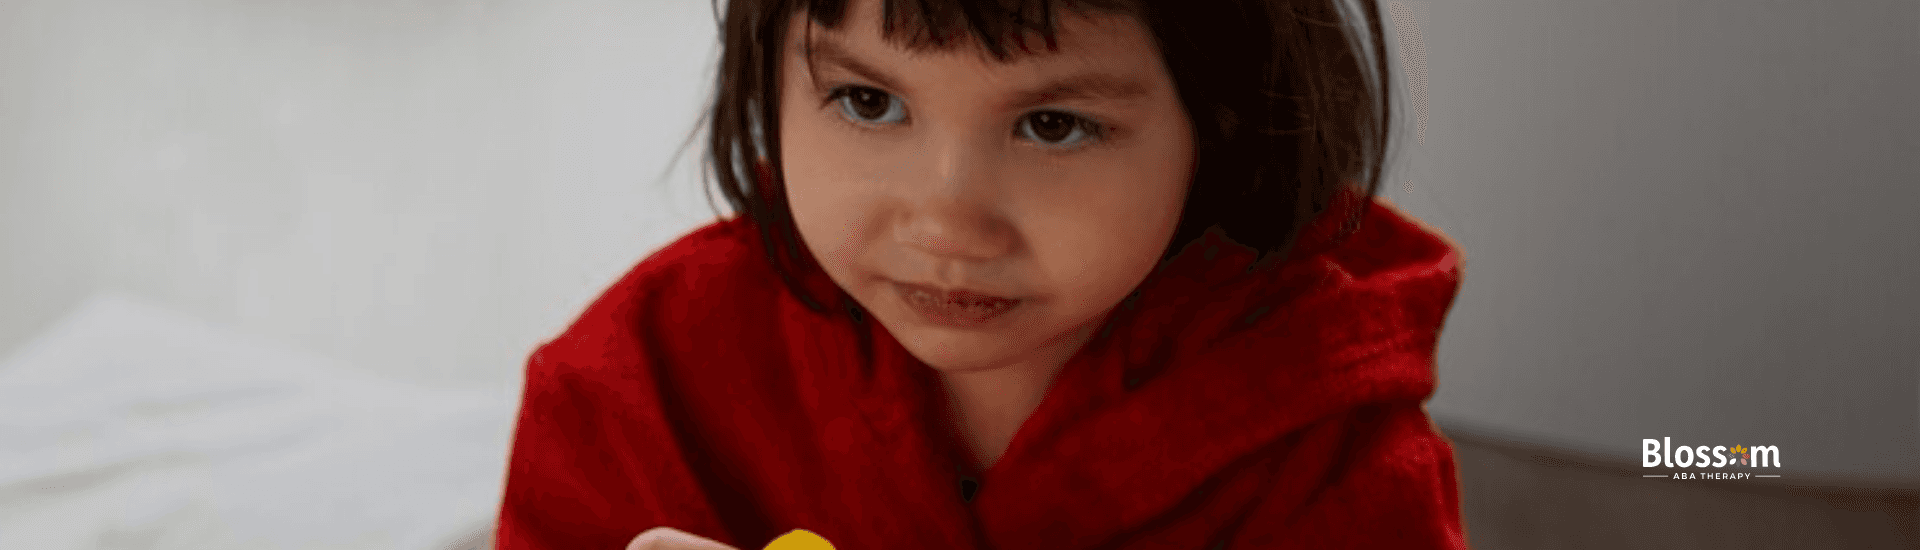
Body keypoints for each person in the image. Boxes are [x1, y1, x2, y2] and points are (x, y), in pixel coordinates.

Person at [495, 0, 1467, 547]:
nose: (946, 221)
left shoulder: (1324, 454)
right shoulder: (638, 383)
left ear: (1217, 126)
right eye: (869, 102)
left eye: (1054, 125)